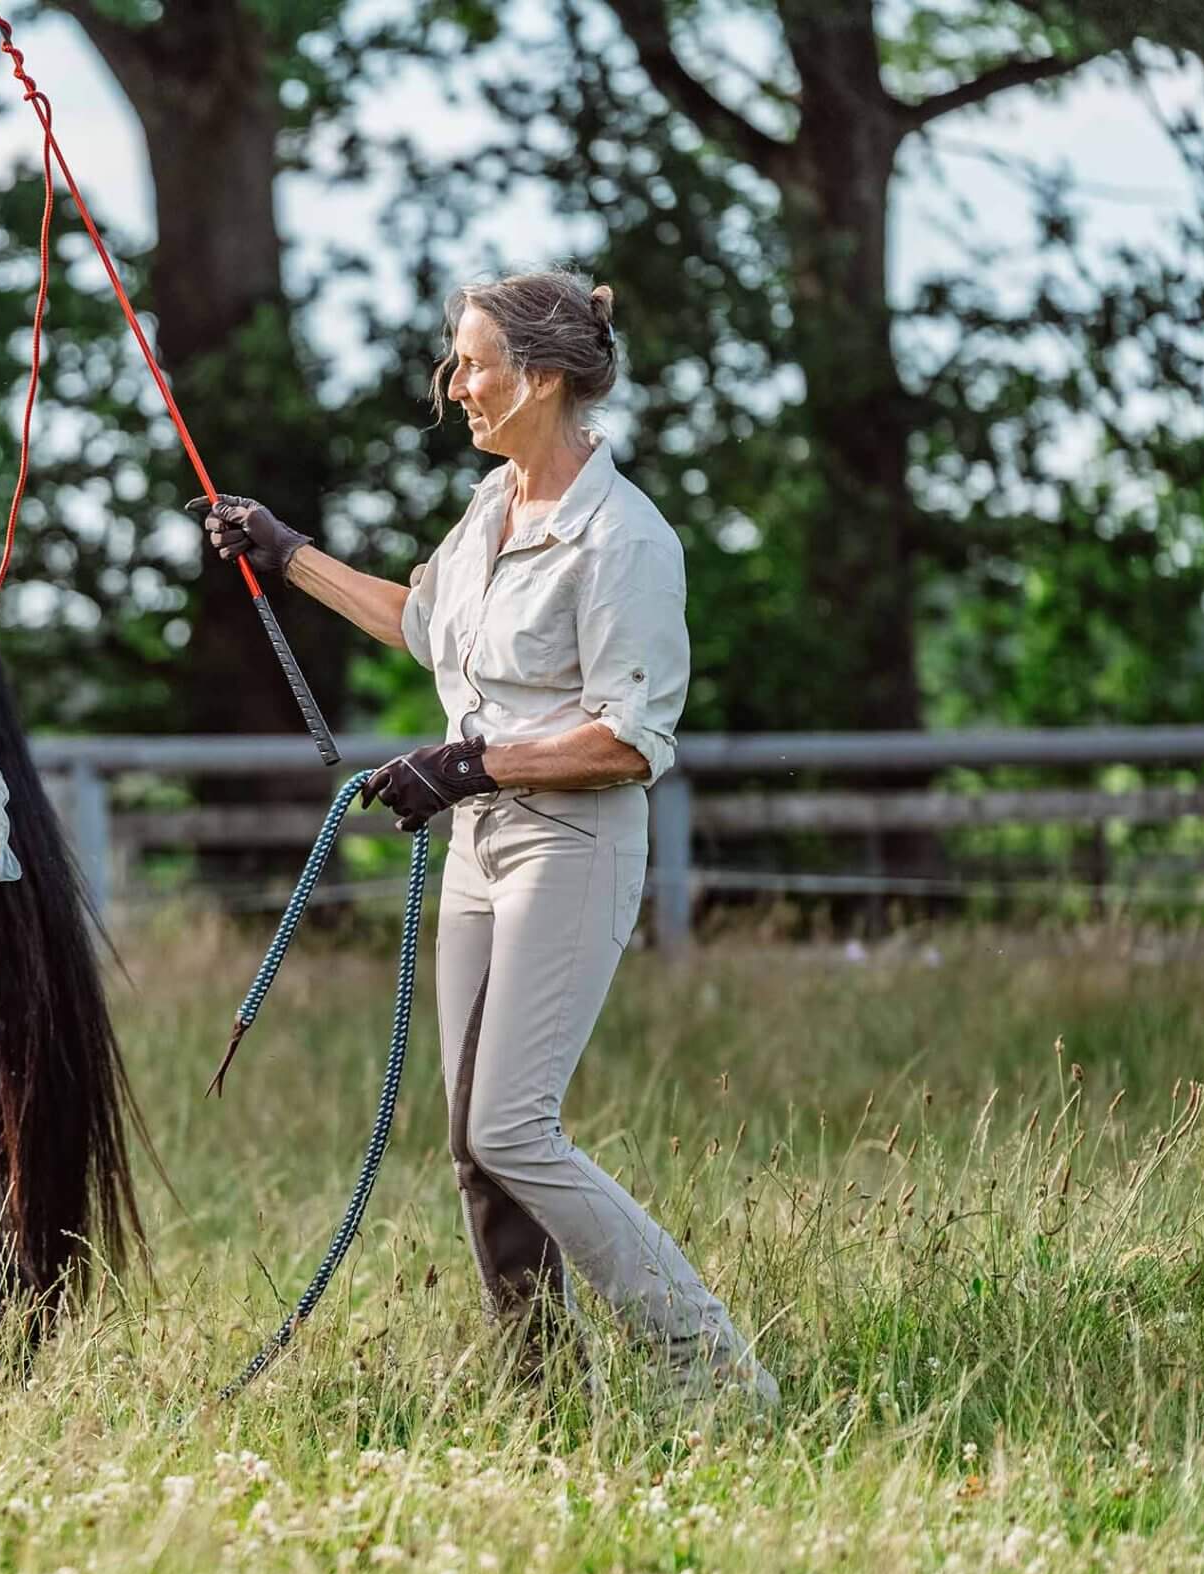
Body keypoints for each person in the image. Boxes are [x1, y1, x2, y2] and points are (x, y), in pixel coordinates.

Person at [194, 269, 776, 1406]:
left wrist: (465, 764)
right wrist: (284, 550)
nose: (454, 386)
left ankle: (711, 1371)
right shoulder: (488, 509)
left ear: (543, 376)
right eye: (457, 364)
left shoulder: (623, 539)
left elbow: (629, 736)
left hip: (571, 841)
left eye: (473, 364)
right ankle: (545, 1396)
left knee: (513, 1124)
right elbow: (421, 624)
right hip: (477, 850)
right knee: (475, 1147)